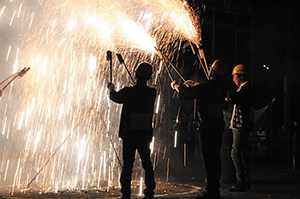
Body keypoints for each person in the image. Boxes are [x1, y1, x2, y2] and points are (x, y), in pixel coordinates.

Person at [171, 59, 228, 199]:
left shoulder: (206, 88)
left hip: (207, 127)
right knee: (215, 158)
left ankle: (211, 190)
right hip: (218, 126)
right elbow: (204, 90)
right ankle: (215, 188)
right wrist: (195, 85)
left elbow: (187, 94)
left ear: (212, 72)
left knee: (209, 158)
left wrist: (176, 86)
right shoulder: (221, 88)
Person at [107, 62, 156, 199]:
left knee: (128, 164)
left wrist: (111, 88)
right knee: (146, 161)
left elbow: (115, 97)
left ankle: (126, 193)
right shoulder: (152, 92)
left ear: (136, 75)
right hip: (144, 133)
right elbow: (139, 93)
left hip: (130, 134)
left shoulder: (129, 92)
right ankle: (150, 189)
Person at [226, 64, 254, 192]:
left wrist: (223, 91)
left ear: (241, 76)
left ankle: (241, 182)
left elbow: (235, 99)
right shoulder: (244, 89)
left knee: (235, 152)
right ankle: (244, 181)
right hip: (241, 125)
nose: (233, 79)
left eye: (234, 76)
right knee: (241, 153)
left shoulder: (246, 89)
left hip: (241, 125)